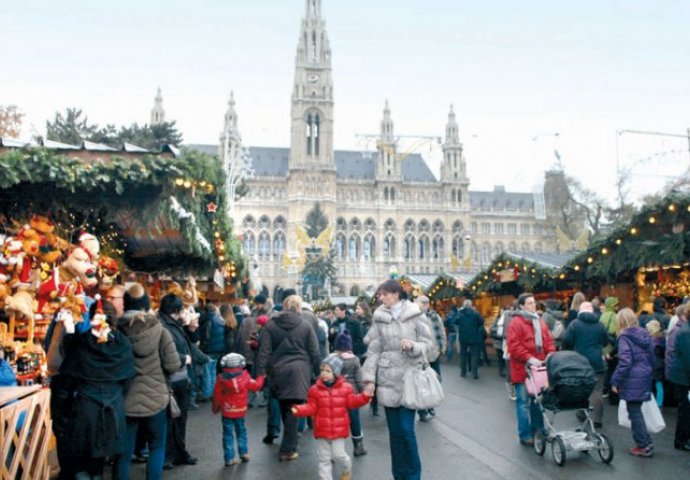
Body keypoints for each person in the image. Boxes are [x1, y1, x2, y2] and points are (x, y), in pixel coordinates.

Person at [362, 280, 433, 480]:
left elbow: (428, 343)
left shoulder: (415, 313)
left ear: (396, 294)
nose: (380, 298)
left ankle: (413, 475)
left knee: (406, 430)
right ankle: (399, 475)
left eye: (384, 294)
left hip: (409, 378)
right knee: (395, 434)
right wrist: (369, 380)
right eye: (380, 295)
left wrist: (413, 346)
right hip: (387, 379)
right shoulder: (379, 317)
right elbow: (373, 350)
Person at [57, 299, 135, 479]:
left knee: (82, 462)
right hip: (113, 406)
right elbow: (129, 378)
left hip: (84, 406)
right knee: (99, 463)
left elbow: (68, 375)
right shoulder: (122, 344)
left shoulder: (82, 343)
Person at [114, 283, 182, 480]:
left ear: (126, 304)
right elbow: (172, 365)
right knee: (156, 446)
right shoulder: (160, 330)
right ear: (146, 305)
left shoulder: (117, 331)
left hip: (125, 398)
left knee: (123, 453)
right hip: (156, 398)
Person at [255, 294, 321, 461]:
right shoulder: (305, 325)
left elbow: (264, 352)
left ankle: (289, 444)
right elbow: (314, 351)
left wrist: (260, 374)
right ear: (299, 307)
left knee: (286, 408)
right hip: (299, 372)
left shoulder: (271, 324)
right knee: (294, 410)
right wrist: (319, 373)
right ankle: (288, 449)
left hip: (277, 371)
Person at [292, 354, 370, 480]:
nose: (324, 373)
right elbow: (311, 407)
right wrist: (299, 409)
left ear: (336, 373)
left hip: (338, 432)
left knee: (339, 455)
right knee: (323, 459)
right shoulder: (314, 390)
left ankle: (346, 469)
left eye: (328, 371)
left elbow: (353, 402)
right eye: (322, 370)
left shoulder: (346, 388)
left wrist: (365, 397)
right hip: (322, 431)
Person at [158, 293, 206, 468]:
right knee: (172, 419)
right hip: (172, 378)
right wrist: (184, 359)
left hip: (181, 378)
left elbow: (191, 344)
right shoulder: (163, 325)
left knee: (180, 419)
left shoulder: (175, 325)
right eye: (182, 309)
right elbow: (167, 352)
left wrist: (190, 328)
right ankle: (169, 455)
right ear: (175, 311)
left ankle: (179, 453)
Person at [507, 292, 556, 445]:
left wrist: (550, 354)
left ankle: (539, 430)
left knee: (537, 402)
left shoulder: (539, 321)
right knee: (523, 403)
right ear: (521, 306)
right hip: (522, 369)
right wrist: (530, 358)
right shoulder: (516, 322)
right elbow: (514, 346)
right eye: (529, 303)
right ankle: (525, 435)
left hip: (539, 369)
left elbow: (549, 340)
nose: (533, 305)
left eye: (534, 302)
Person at [611, 308, 656, 457]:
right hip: (644, 375)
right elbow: (652, 357)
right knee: (637, 410)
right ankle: (645, 442)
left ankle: (643, 444)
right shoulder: (645, 334)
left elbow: (625, 361)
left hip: (632, 377)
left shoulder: (624, 337)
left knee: (634, 412)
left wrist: (615, 381)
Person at [561, 301, 611, 428]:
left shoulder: (574, 324)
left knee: (581, 387)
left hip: (580, 362)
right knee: (597, 390)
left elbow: (566, 340)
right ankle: (597, 419)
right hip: (597, 362)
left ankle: (582, 413)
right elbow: (606, 342)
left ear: (580, 311)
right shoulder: (600, 325)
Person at [212, 353, 265, 466]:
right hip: (240, 411)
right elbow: (257, 386)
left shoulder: (221, 379)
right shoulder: (245, 377)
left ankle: (229, 458)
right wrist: (261, 377)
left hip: (227, 411)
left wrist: (216, 408)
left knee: (227, 434)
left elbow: (217, 395)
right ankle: (243, 453)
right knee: (241, 431)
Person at [334, 330, 367, 456]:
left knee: (337, 421)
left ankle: (335, 450)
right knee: (355, 420)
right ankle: (358, 447)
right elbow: (359, 378)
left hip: (337, 394)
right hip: (352, 394)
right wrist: (363, 393)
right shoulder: (355, 360)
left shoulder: (334, 359)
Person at [415, 295, 446, 421]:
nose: (423, 305)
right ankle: (422, 410)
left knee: (436, 380)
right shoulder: (413, 317)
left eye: (425, 303)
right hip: (420, 356)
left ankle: (431, 404)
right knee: (421, 383)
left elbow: (442, 332)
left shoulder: (435, 316)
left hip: (434, 354)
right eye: (421, 303)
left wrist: (442, 347)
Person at [666, 303, 690, 451]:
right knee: (685, 410)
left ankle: (683, 438)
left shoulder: (685, 330)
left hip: (683, 375)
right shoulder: (685, 332)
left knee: (685, 409)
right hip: (684, 378)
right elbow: (688, 359)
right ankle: (681, 440)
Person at [456, 299, 484, 379]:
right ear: (471, 305)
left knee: (463, 355)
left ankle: (463, 372)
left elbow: (455, 321)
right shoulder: (475, 313)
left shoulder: (459, 313)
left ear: (463, 305)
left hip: (463, 337)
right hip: (473, 337)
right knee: (474, 355)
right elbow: (481, 321)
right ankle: (474, 373)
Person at [600, 297, 619, 398]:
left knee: (607, 368)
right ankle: (611, 389)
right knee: (613, 368)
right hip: (611, 347)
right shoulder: (614, 316)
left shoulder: (603, 315)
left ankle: (604, 389)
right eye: (616, 305)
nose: (618, 306)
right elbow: (613, 331)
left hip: (603, 346)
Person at [646, 320, 666, 407]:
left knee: (650, 383)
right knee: (658, 384)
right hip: (660, 364)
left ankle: (650, 401)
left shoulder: (651, 341)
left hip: (653, 364)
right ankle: (659, 402)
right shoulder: (661, 340)